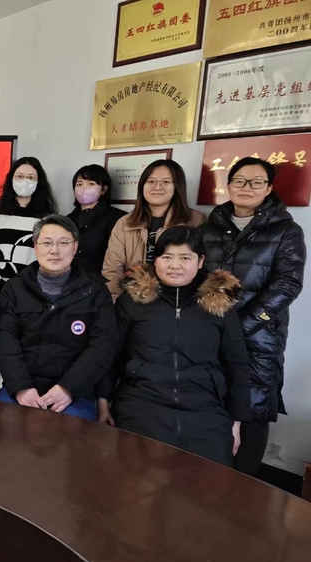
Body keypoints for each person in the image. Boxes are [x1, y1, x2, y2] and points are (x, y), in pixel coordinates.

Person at [199, 157, 306, 475]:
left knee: (253, 407)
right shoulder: (207, 228)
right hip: (210, 331)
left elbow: (288, 284)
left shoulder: (286, 230)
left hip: (259, 336)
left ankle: (244, 487)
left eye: (257, 182)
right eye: (240, 181)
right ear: (228, 185)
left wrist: (241, 325)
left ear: (269, 188)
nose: (247, 187)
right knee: (209, 399)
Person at [111, 226, 251, 467]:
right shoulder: (132, 300)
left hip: (205, 408)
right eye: (167, 257)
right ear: (156, 260)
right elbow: (111, 354)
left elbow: (237, 363)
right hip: (142, 403)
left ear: (200, 261)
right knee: (139, 474)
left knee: (210, 479)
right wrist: (103, 401)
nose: (175, 265)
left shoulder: (219, 303)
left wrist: (236, 422)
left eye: (185, 258)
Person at [0, 214, 117, 420]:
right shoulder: (14, 289)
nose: (55, 250)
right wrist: (22, 388)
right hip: (22, 389)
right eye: (47, 243)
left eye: (63, 243)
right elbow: (5, 342)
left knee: (68, 436)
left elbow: (102, 347)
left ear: (75, 247)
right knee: (6, 431)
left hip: (75, 393)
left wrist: (68, 389)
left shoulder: (96, 292)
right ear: (35, 247)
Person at [102, 159, 206, 299]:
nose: (157, 187)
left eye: (166, 182)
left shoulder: (196, 221)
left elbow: (201, 269)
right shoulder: (124, 223)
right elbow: (112, 270)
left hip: (179, 299)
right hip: (133, 299)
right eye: (151, 181)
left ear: (177, 187)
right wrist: (116, 302)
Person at [0, 157, 57, 293]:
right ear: (11, 179)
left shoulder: (47, 216)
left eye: (31, 177)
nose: (25, 181)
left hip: (32, 290)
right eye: (19, 176)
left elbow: (48, 254)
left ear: (39, 182)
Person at [66, 164, 126, 275]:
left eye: (91, 184)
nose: (84, 188)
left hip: (101, 281)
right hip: (68, 280)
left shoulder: (119, 218)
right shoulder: (67, 220)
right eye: (79, 184)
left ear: (104, 189)